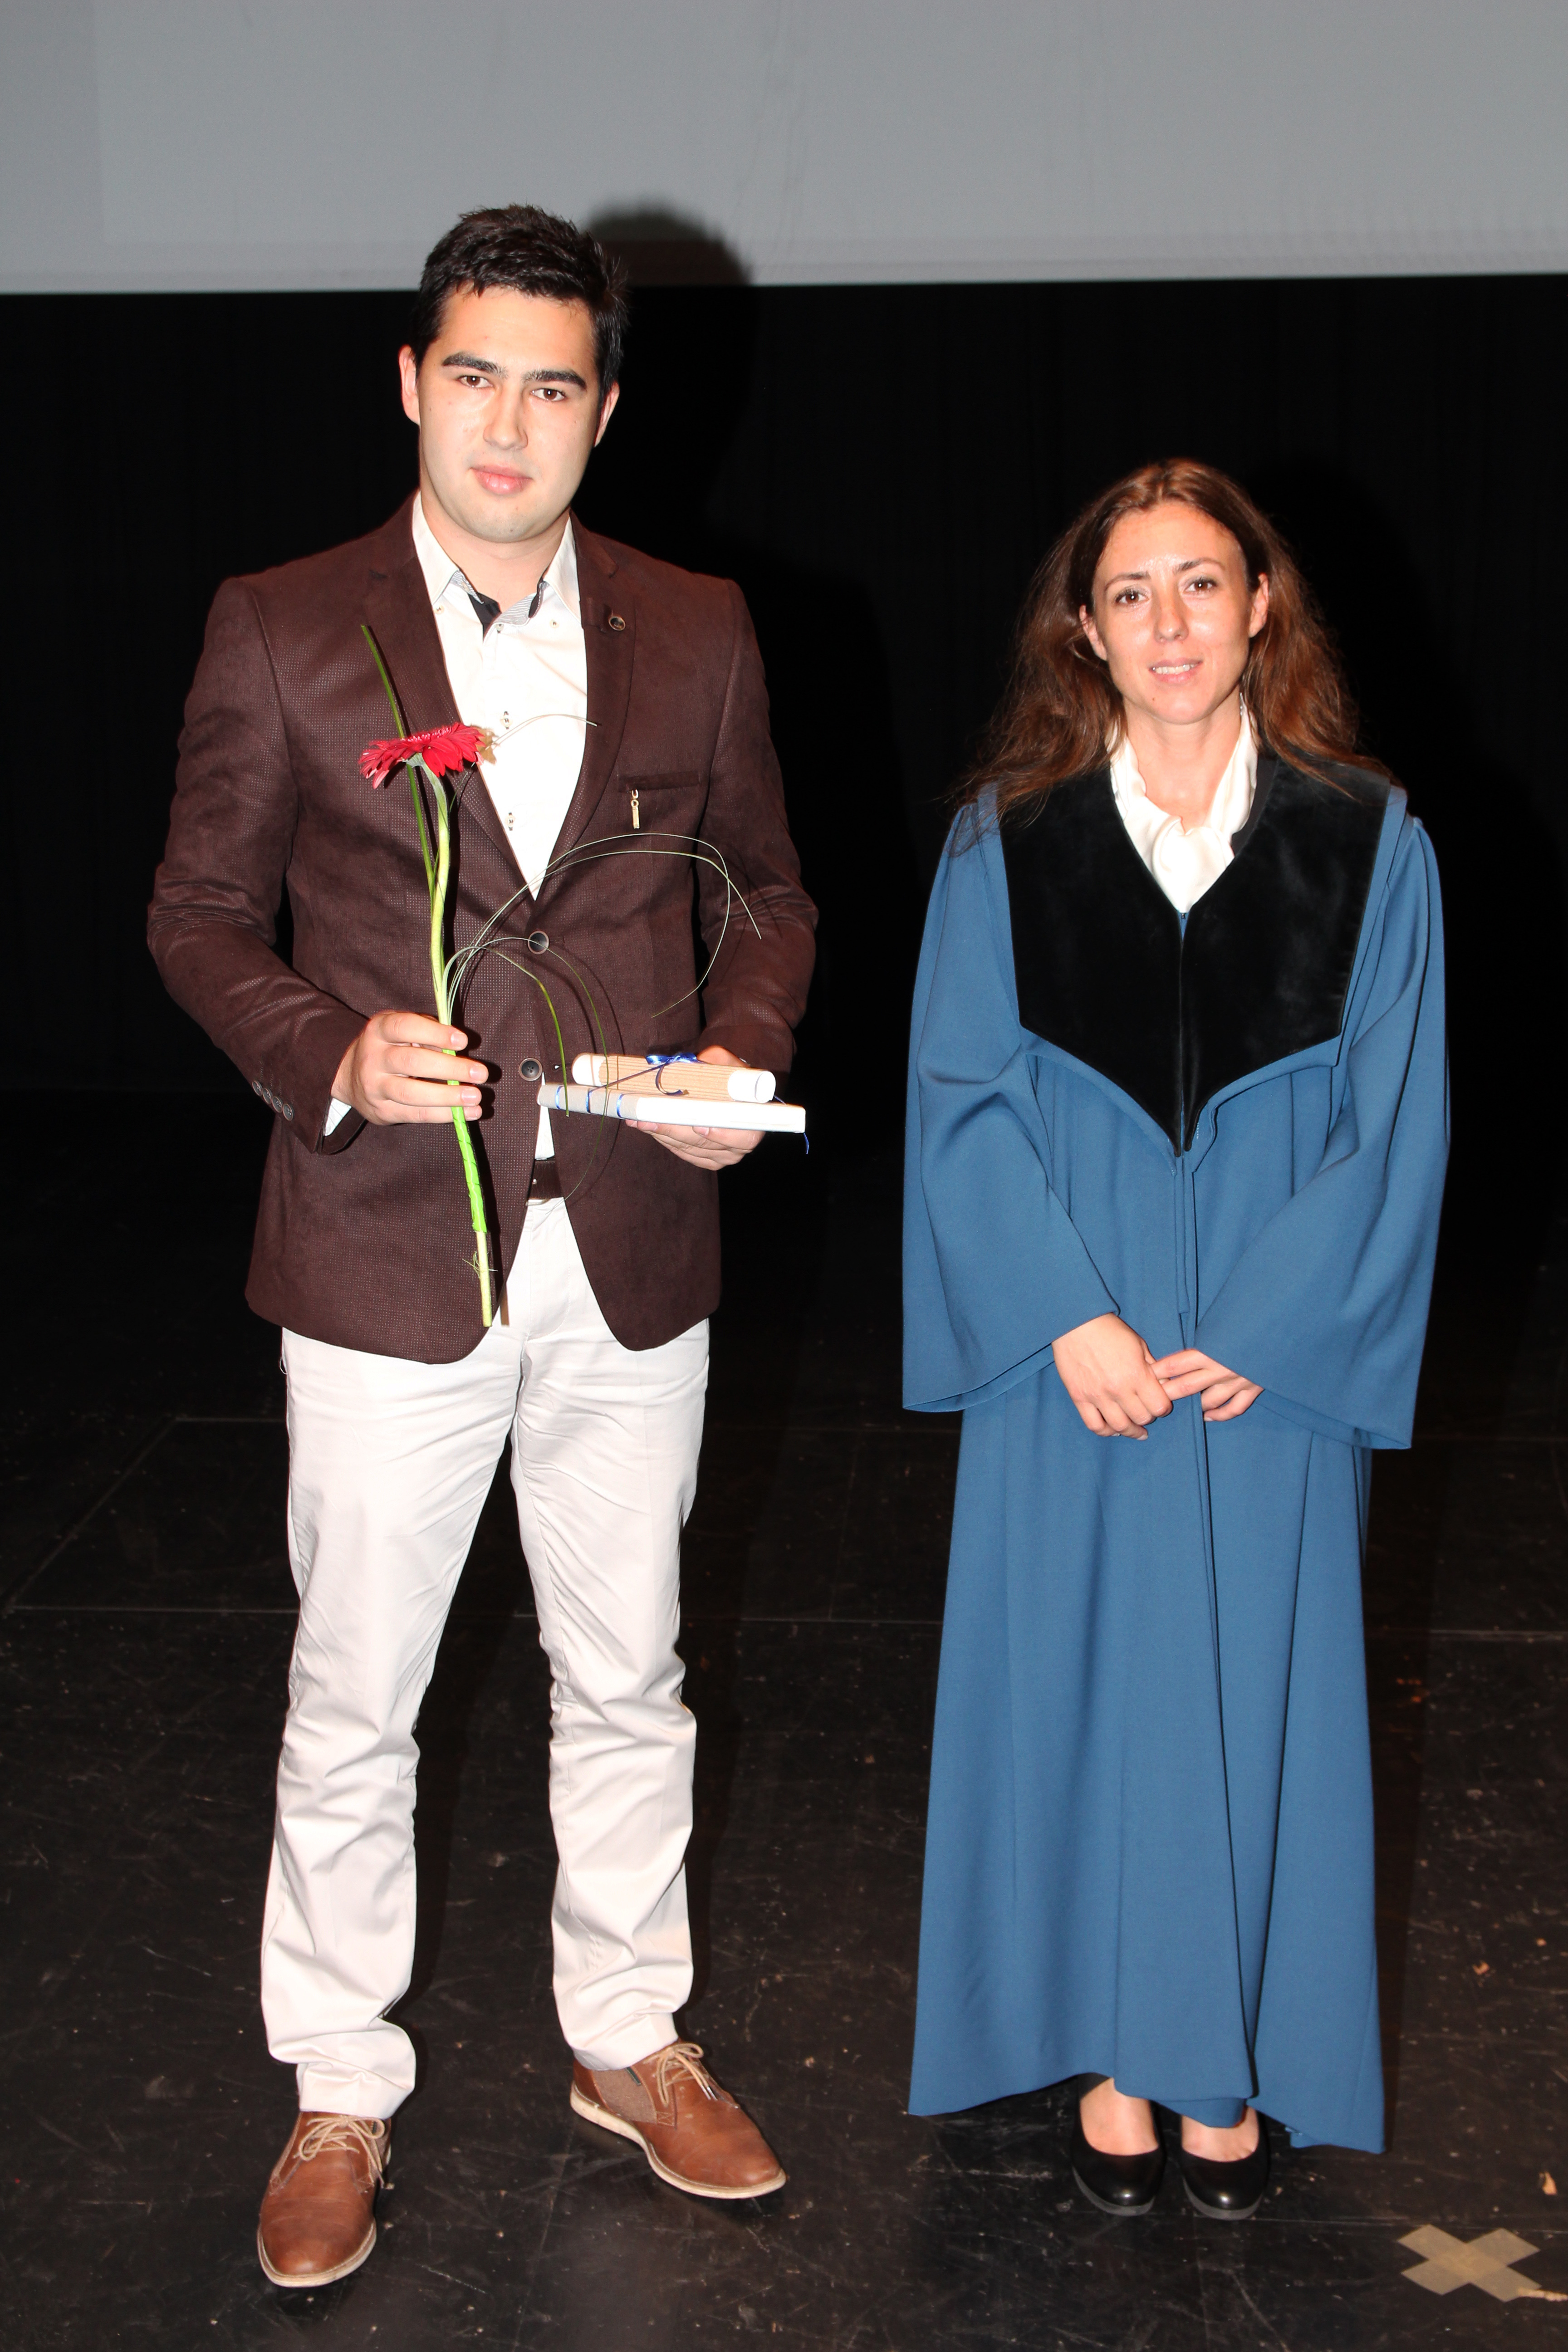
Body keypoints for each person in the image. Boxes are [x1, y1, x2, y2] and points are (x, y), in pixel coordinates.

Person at [149, 205, 815, 2287]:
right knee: (356, 1695)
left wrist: (740, 1051)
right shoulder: (283, 623)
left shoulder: (700, 625)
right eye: (472, 378)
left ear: (605, 412)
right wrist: (330, 1050)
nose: (507, 424)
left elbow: (771, 895)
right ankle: (338, 2085)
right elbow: (197, 918)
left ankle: (628, 2037)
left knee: (630, 1677)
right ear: (410, 387)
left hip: (630, 1241)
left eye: (551, 385)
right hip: (382, 1251)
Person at [902, 459, 1446, 2219]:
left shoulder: (1372, 839)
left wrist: (1280, 1326)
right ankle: (1118, 2061)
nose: (1170, 624)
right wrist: (1063, 1312)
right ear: (1085, 628)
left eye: (1202, 583)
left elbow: (1396, 1118)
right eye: (1130, 593)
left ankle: (1233, 2068)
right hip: (1078, 1350)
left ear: (1260, 605)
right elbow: (962, 1098)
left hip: (1267, 1361)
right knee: (1082, 1693)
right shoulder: (1009, 839)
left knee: (1256, 1698)